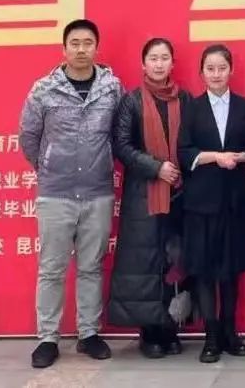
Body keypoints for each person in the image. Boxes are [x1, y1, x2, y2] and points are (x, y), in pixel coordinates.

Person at [19, 19, 123, 369]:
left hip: (97, 192)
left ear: (97, 47)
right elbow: (28, 137)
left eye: (88, 43)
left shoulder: (111, 88)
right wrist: (49, 166)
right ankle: (47, 338)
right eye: (75, 43)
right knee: (51, 269)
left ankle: (88, 333)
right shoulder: (44, 89)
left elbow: (119, 134)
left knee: (91, 266)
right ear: (64, 49)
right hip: (56, 194)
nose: (81, 49)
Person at [108, 38, 192, 358]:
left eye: (164, 58)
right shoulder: (130, 102)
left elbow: (194, 140)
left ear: (173, 63)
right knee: (145, 263)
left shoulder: (185, 99)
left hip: (180, 194)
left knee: (174, 261)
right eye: (153, 58)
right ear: (143, 64)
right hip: (143, 196)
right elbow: (122, 146)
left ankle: (170, 328)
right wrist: (157, 168)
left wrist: (179, 171)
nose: (159, 64)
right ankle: (149, 333)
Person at [177, 44, 245, 363]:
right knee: (204, 270)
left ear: (231, 70)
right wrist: (215, 157)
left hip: (235, 200)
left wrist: (242, 157)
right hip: (201, 202)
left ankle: (230, 332)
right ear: (202, 73)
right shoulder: (192, 108)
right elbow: (184, 151)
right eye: (210, 69)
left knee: (231, 270)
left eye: (221, 68)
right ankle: (210, 336)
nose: (216, 74)